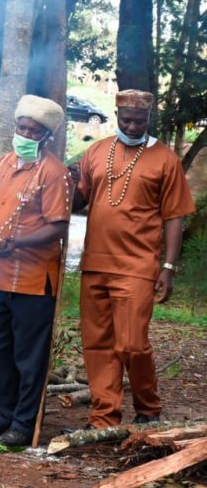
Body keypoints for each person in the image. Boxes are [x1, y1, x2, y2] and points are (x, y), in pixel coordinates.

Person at [71, 89, 195, 428]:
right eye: (126, 120)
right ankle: (103, 416)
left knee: (132, 344)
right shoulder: (97, 151)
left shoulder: (165, 159)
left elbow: (174, 217)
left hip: (137, 266)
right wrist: (62, 182)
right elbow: (76, 200)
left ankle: (148, 408)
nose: (132, 126)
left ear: (148, 119)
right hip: (94, 263)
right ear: (116, 115)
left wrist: (167, 267)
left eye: (139, 121)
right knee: (98, 344)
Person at [0, 95, 71, 446]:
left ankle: (25, 425)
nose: (25, 134)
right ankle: (4, 415)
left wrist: (17, 242)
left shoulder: (54, 172)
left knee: (29, 357)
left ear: (47, 135)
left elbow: (58, 226)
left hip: (34, 279)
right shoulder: (0, 165)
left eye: (34, 130)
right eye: (22, 127)